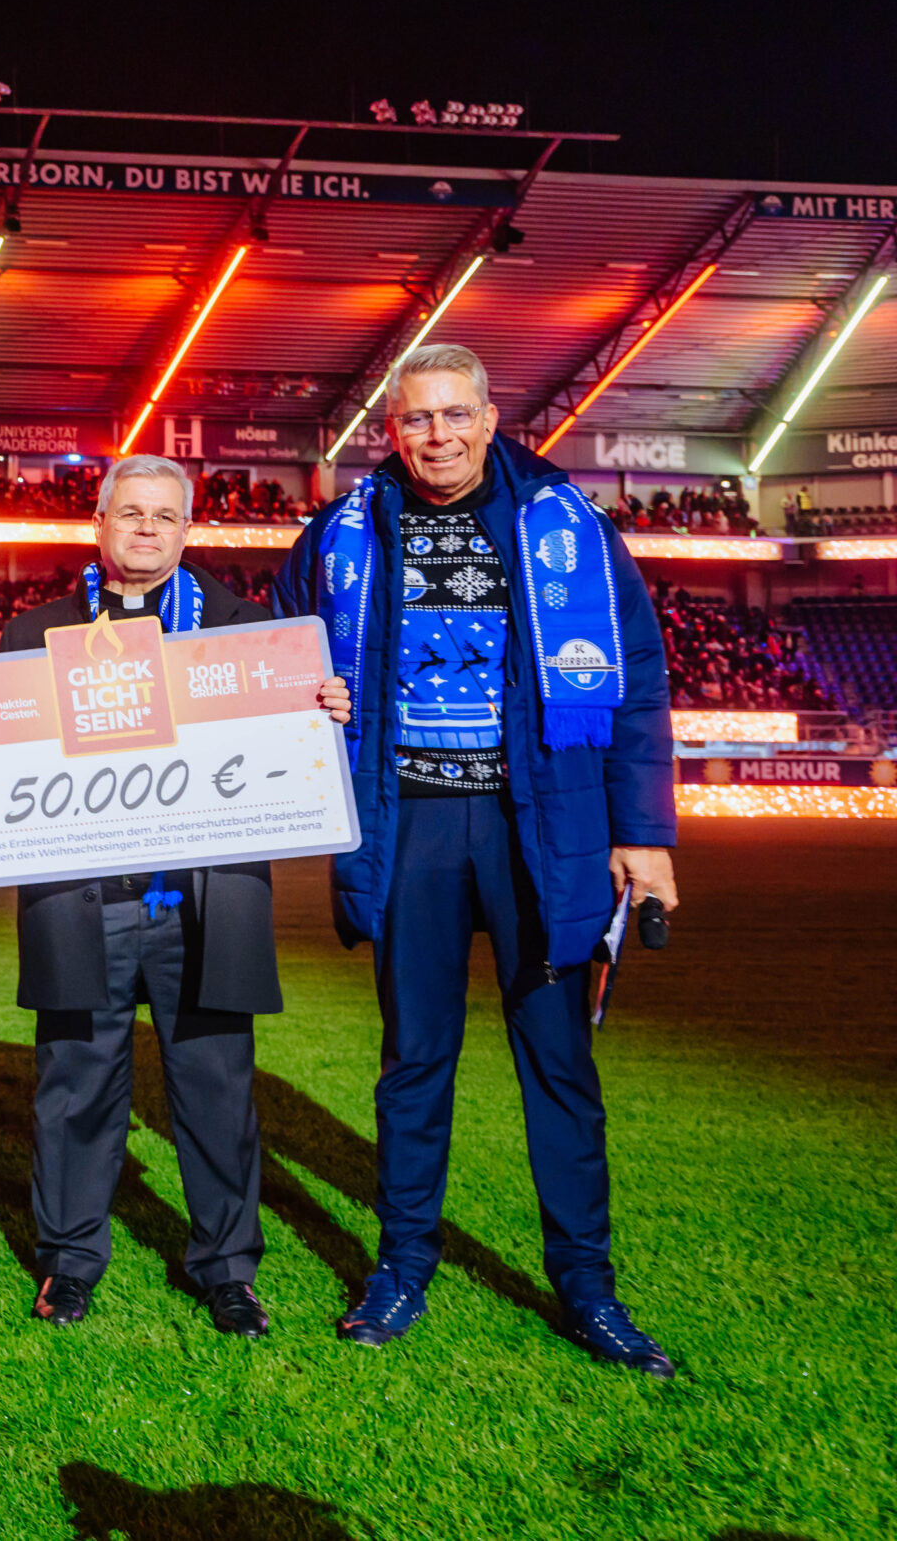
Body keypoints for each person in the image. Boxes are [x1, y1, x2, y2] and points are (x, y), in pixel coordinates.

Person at [272, 343, 680, 1375]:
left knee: (559, 1065)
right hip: (410, 824)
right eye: (418, 418)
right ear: (392, 430)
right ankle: (402, 1266)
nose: (438, 435)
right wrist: (307, 695)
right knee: (413, 1060)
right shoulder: (345, 530)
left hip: (538, 827)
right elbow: (278, 651)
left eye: (456, 414)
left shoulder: (566, 524)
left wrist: (644, 836)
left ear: (492, 419)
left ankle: (586, 1287)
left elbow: (634, 680)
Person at [0, 454, 350, 1338]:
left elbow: (294, 755)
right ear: (99, 523)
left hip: (204, 904)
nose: (147, 529)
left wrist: (325, 711)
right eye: (131, 513)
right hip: (84, 900)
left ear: (187, 531)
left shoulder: (248, 630)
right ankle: (69, 1261)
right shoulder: (33, 633)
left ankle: (227, 1270)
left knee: (216, 1094)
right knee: (75, 1090)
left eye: (164, 516)